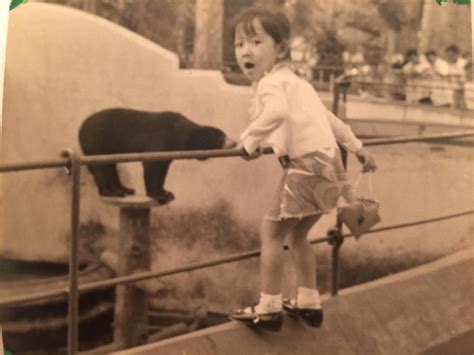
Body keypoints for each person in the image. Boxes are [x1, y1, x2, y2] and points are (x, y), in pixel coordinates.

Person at [228, 7, 377, 331]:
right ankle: (309, 301)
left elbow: (276, 114)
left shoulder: (271, 83)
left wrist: (249, 142)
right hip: (329, 165)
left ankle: (268, 306)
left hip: (307, 166)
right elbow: (328, 119)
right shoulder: (298, 83)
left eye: (255, 42)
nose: (245, 52)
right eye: (239, 45)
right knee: (297, 235)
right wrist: (358, 147)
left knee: (271, 232)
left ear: (280, 49)